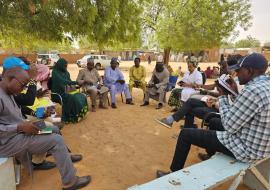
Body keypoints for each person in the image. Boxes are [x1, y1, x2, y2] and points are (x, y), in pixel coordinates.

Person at [156, 53, 270, 178]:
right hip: (260, 147)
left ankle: (172, 175)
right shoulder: (264, 86)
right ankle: (210, 154)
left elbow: (230, 127)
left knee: (185, 134)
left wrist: (223, 96)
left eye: (239, 70)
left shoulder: (252, 90)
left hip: (245, 149)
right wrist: (233, 93)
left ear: (249, 71)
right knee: (214, 122)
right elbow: (246, 110)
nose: (236, 74)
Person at [0, 67, 91, 189]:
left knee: (53, 129)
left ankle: (58, 158)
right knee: (56, 140)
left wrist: (40, 114)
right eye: (23, 85)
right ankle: (70, 181)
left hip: (21, 130)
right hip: (8, 141)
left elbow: (22, 111)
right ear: (11, 78)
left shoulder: (9, 92)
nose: (23, 89)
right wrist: (19, 127)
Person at [51, 58, 88, 123]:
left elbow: (69, 81)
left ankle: (80, 113)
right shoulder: (55, 72)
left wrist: (76, 85)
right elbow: (63, 81)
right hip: (58, 94)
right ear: (60, 65)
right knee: (72, 98)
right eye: (64, 66)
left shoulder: (66, 72)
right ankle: (71, 117)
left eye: (66, 65)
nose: (65, 67)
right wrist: (76, 82)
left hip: (67, 91)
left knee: (81, 95)